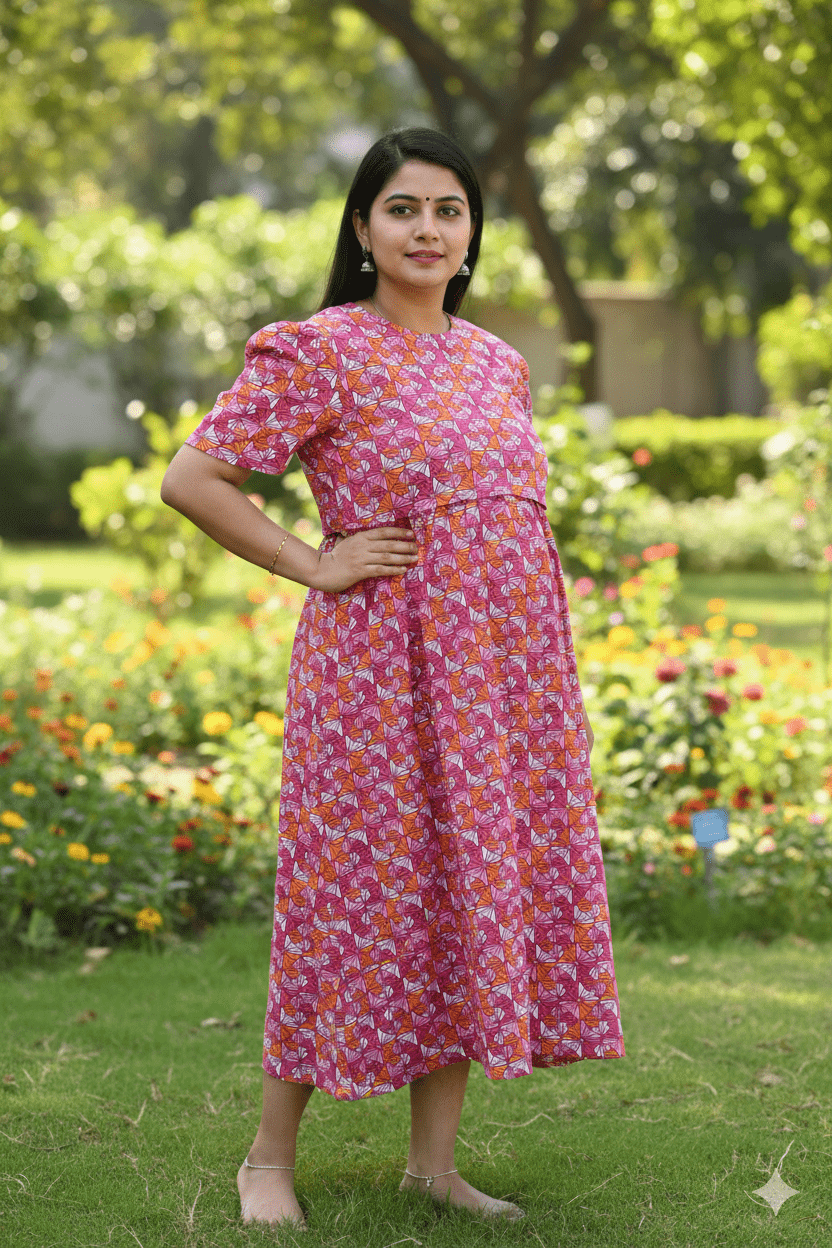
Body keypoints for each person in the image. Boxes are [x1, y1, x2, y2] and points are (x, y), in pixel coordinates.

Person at [161, 126, 624, 1229]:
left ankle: (432, 1167)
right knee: (348, 895)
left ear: (471, 234)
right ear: (363, 230)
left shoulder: (496, 361)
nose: (428, 230)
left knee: (465, 890)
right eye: (403, 209)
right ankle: (268, 1160)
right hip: (380, 676)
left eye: (449, 211)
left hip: (499, 680)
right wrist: (311, 562)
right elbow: (194, 477)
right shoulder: (320, 350)